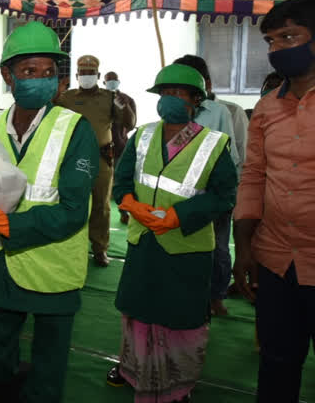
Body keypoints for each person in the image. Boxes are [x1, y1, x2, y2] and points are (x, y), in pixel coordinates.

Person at [0, 21, 98, 403]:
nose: (39, 79)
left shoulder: (75, 129)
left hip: (53, 266)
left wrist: (5, 223)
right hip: (1, 262)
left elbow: (72, 211)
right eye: (29, 71)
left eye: (49, 72)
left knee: (48, 374)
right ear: (8, 75)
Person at [106, 63, 236, 403]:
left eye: (179, 93)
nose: (171, 99)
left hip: (186, 246)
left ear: (196, 101)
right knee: (138, 310)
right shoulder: (143, 135)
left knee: (179, 317)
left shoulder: (214, 143)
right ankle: (132, 370)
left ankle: (177, 385)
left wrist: (179, 216)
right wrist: (132, 205)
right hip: (143, 241)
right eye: (165, 93)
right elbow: (121, 183)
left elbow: (224, 196)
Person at [233, 0, 315, 403]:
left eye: (288, 37)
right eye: (270, 42)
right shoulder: (266, 107)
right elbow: (253, 177)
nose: (277, 50)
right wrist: (244, 246)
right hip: (277, 261)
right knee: (278, 364)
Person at [172, 55, 239, 317]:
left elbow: (229, 155)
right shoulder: (173, 115)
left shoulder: (219, 112)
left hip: (214, 197)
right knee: (185, 247)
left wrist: (224, 196)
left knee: (218, 249)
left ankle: (216, 296)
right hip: (181, 197)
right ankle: (187, 294)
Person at [55, 55, 135, 267]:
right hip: (73, 157)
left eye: (91, 73)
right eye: (83, 73)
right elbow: (50, 114)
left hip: (101, 157)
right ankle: (71, 246)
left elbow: (130, 122)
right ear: (76, 76)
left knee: (101, 205)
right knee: (72, 201)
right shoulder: (67, 97)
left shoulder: (110, 97)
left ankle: (100, 249)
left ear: (98, 76)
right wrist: (55, 91)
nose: (87, 77)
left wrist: (124, 105)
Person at [104, 71, 137, 225]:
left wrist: (123, 107)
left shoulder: (127, 100)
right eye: (108, 80)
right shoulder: (99, 99)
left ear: (119, 81)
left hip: (120, 146)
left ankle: (124, 212)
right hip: (100, 147)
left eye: (114, 80)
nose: (111, 82)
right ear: (104, 83)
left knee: (120, 181)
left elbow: (131, 124)